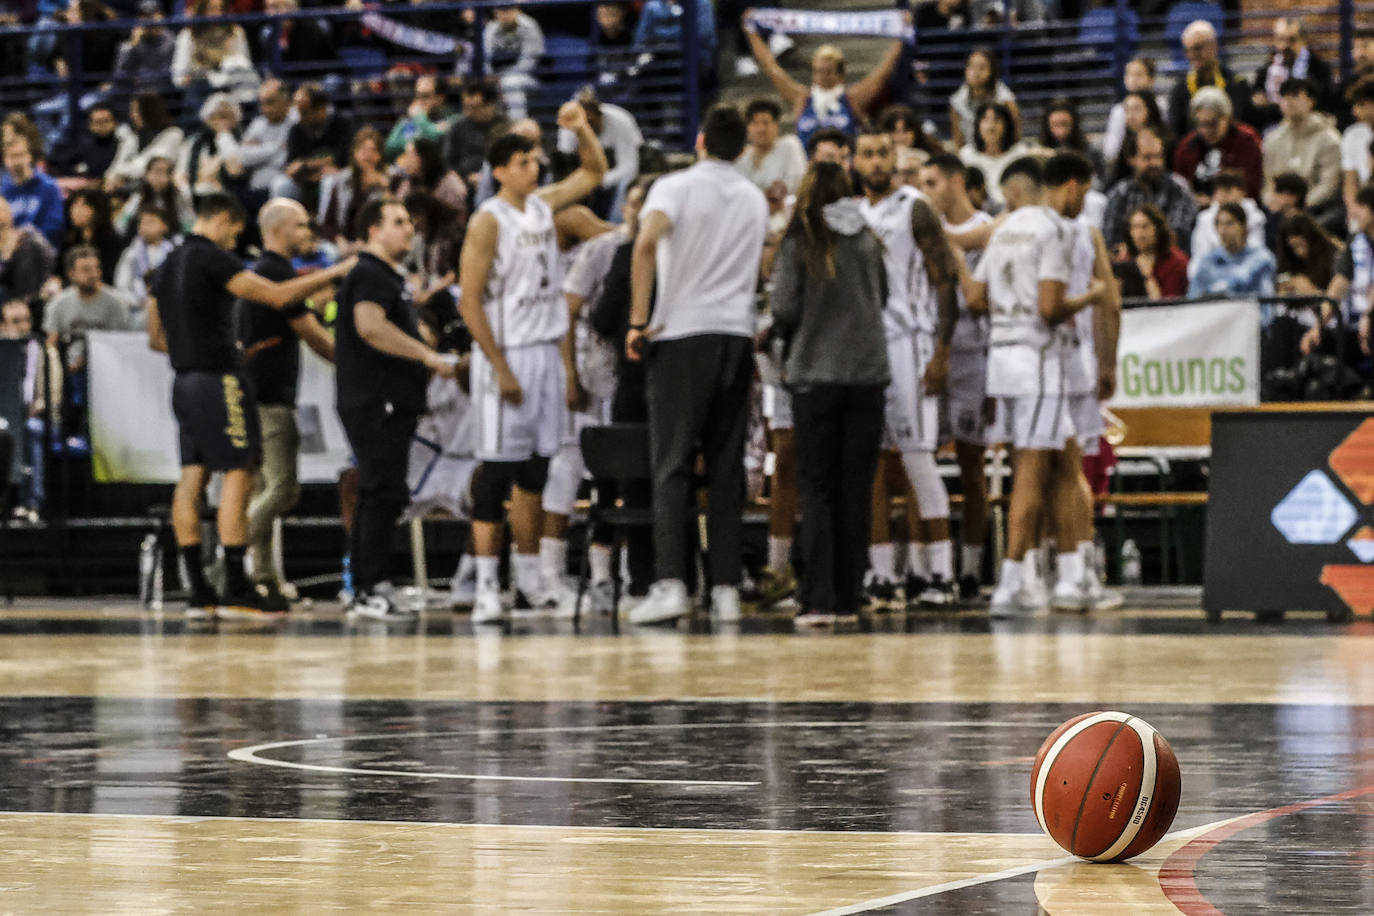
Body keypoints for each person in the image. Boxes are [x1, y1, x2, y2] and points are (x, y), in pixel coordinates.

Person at [145, 192, 352, 619]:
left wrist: (191, 351)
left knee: (191, 480)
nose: (233, 241)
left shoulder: (163, 267)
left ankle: (199, 591)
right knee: (240, 473)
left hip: (184, 380)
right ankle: (236, 583)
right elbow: (275, 297)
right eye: (234, 233)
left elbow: (154, 337)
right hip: (219, 379)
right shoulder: (213, 259)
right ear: (223, 219)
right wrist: (339, 269)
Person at [458, 101, 608, 625]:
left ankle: (530, 581)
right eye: (521, 161)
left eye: (535, 159)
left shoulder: (543, 207)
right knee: (496, 473)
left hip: (545, 351)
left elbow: (594, 172)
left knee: (536, 471)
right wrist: (498, 366)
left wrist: (581, 127)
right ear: (498, 169)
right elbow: (468, 301)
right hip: (508, 354)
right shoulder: (487, 221)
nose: (533, 167)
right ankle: (484, 587)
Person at [623, 103, 767, 625]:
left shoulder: (674, 188)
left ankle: (670, 583)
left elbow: (644, 243)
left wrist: (638, 319)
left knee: (673, 464)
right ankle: (726, 587)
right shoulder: (753, 197)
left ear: (701, 140)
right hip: (736, 333)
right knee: (727, 466)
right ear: (744, 148)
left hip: (682, 333)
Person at [768, 160, 888, 623]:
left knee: (816, 487)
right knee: (855, 489)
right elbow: (885, 296)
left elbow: (783, 306)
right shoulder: (868, 240)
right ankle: (846, 597)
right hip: (867, 377)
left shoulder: (801, 241)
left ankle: (817, 597)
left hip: (815, 376)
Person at [965, 156, 1079, 617]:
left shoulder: (999, 232)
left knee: (1025, 469)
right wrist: (1089, 297)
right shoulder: (1051, 229)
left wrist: (952, 255)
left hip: (1000, 358)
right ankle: (1010, 580)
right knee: (1032, 474)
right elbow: (1051, 307)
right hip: (1037, 360)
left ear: (1011, 191)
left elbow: (974, 297)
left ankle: (1029, 573)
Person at [855, 128, 959, 607]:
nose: (874, 161)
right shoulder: (851, 213)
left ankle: (940, 572)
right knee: (872, 465)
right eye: (866, 154)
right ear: (856, 161)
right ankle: (882, 574)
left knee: (918, 458)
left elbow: (945, 280)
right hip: (868, 348)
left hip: (912, 343)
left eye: (882, 153)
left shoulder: (914, 205)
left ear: (893, 158)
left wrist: (941, 350)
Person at [236, 199, 337, 605]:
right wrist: (356, 366)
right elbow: (314, 336)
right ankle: (227, 554)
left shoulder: (262, 275)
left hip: (253, 395)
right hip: (272, 399)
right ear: (278, 230)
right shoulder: (278, 277)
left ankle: (264, 576)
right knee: (283, 490)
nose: (308, 232)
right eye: (301, 225)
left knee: (263, 487)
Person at [1043, 151, 1122, 613]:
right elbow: (1109, 302)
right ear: (1074, 186)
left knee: (1036, 467)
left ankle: (1039, 567)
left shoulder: (1021, 227)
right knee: (1079, 470)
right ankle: (1083, 569)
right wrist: (1108, 361)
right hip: (1075, 362)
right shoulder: (1085, 233)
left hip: (1031, 365)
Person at [918, 152, 994, 599]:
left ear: (955, 182)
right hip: (928, 347)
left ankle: (970, 569)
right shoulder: (922, 231)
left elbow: (980, 297)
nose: (926, 193)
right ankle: (925, 566)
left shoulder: (988, 227)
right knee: (917, 461)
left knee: (971, 468)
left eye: (932, 183)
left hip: (971, 354)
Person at [742, 12, 905, 150]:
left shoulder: (852, 98)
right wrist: (752, 34)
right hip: (808, 171)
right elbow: (772, 68)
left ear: (840, 74)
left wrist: (901, 36)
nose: (823, 76)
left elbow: (882, 73)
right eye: (818, 71)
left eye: (828, 71)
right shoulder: (802, 98)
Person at [1103, 126, 1197, 253]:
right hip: (1129, 264)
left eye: (1158, 156)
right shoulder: (1120, 193)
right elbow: (1110, 240)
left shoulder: (1178, 189)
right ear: (1131, 160)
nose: (1155, 163)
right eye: (1147, 157)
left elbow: (1177, 236)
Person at [1263, 78, 1344, 221]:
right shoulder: (1272, 139)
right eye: (1284, 97)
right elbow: (1268, 182)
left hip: (1316, 210)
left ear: (1311, 101)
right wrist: (1272, 201)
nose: (1288, 101)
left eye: (1295, 96)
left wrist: (1300, 205)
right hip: (1279, 209)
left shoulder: (1329, 139)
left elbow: (1329, 185)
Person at [556, 90, 641, 221]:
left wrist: (598, 181)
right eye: (582, 123)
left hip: (615, 172)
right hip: (586, 174)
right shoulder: (570, 124)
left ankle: (616, 229)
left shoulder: (620, 120)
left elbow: (629, 167)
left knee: (626, 184)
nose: (586, 128)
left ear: (600, 115)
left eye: (590, 121)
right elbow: (564, 167)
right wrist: (580, 184)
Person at [1172, 87, 1264, 203]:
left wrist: (1214, 200)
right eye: (1200, 124)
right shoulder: (1187, 146)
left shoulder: (1246, 142)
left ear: (1227, 118)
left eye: (1212, 124)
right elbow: (1178, 187)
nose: (1205, 131)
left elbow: (1251, 187)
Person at [1165, 20, 1250, 142]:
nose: (1192, 55)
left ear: (1214, 46)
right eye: (1188, 50)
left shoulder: (1236, 84)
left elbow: (1240, 124)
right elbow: (1176, 131)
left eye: (1198, 48)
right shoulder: (1180, 89)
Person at [275, 83, 354, 210]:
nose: (301, 118)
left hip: (337, 178)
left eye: (305, 112)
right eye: (299, 112)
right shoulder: (297, 129)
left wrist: (304, 164)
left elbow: (339, 160)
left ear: (321, 109)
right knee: (281, 185)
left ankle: (328, 227)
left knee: (331, 181)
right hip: (306, 180)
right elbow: (291, 167)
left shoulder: (342, 124)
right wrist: (312, 169)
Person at [1249, 16, 1336, 133]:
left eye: (1291, 40)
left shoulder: (1320, 70)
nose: (1285, 46)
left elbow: (1325, 106)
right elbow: (1256, 104)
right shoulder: (1266, 71)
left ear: (1304, 40)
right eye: (1280, 39)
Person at [1189, 203, 1277, 298]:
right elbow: (1193, 295)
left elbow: (1241, 279)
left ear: (1243, 226)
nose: (1222, 231)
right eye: (1219, 224)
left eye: (1229, 224)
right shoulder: (1208, 261)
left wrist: (1211, 292)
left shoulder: (1261, 257)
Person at [1190, 170, 1267, 275]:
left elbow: (1257, 253)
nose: (1222, 196)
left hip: (1246, 277)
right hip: (1211, 278)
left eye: (1227, 191)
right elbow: (1198, 257)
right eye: (1218, 191)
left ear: (1242, 192)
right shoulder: (1204, 219)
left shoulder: (1256, 218)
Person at [106, 93, 184, 193]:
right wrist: (113, 176)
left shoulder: (173, 134)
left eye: (135, 111)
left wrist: (120, 173)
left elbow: (148, 167)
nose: (131, 115)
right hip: (126, 186)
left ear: (149, 112)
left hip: (157, 190)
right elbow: (115, 167)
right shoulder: (132, 136)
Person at [960, 102, 1030, 211]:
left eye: (996, 120)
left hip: (1013, 210)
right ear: (978, 125)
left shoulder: (1019, 153)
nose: (990, 127)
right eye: (985, 120)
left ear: (1006, 125)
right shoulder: (967, 154)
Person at [949, 48, 1019, 152]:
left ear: (992, 71)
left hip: (1002, 153)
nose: (975, 73)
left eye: (982, 68)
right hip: (971, 155)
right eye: (971, 67)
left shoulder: (1006, 100)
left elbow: (1016, 136)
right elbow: (958, 143)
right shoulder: (957, 102)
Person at [113, 205, 176, 321]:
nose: (145, 227)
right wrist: (139, 302)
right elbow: (121, 285)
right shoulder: (130, 253)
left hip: (168, 309)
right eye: (142, 223)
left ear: (165, 226)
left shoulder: (174, 253)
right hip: (136, 310)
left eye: (151, 222)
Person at [2, 135, 64, 250]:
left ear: (29, 156)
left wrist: (27, 236)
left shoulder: (48, 187)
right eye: (12, 157)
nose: (17, 162)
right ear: (5, 160)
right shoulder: (3, 191)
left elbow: (55, 226)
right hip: (9, 252)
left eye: (21, 155)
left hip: (40, 250)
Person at [736, 98, 806, 197]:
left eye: (766, 123)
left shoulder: (789, 146)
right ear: (747, 127)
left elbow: (797, 183)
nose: (761, 129)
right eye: (755, 123)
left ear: (776, 125)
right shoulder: (743, 157)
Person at [443, 79, 508, 186]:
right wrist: (465, 178)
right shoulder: (457, 127)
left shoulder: (505, 127)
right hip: (462, 182)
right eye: (465, 107)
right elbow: (448, 162)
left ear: (489, 105)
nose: (468, 113)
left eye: (474, 107)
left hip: (497, 181)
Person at [483, 6, 545, 118]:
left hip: (529, 80)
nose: (505, 14)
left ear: (518, 10)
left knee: (511, 83)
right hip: (497, 79)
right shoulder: (491, 29)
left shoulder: (529, 26)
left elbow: (528, 64)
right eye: (501, 10)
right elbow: (485, 60)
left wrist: (500, 80)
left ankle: (518, 127)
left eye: (509, 10)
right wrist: (490, 76)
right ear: (495, 12)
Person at [1102, 57, 1165, 166]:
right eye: (1129, 75)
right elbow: (1111, 150)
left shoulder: (1162, 105)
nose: (1133, 79)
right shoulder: (1119, 110)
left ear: (1152, 79)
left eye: (1139, 75)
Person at [239, 80, 295, 197]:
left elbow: (285, 159)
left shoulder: (296, 121)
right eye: (262, 103)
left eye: (270, 102)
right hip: (256, 189)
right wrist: (276, 148)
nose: (265, 109)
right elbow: (244, 157)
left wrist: (259, 150)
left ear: (286, 101)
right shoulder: (257, 124)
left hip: (285, 189)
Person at [1124, 204, 1189, 300]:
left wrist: (1148, 276)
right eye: (1134, 227)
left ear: (1158, 229)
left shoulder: (1176, 262)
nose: (1139, 234)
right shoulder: (1127, 259)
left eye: (1145, 227)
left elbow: (1166, 306)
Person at [384, 75, 453, 163]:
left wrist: (419, 117)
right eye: (417, 96)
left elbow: (435, 138)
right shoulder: (411, 120)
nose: (419, 101)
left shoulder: (451, 118)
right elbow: (390, 147)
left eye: (425, 96)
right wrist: (408, 145)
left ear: (440, 98)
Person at [0, 196, 56, 305]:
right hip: (7, 302)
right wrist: (6, 258)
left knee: (28, 246)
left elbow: (51, 261)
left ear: (10, 213)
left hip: (36, 295)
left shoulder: (29, 235)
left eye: (2, 209)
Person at [1276, 213, 1338, 295]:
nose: (1298, 252)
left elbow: (1336, 296)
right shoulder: (1290, 261)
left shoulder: (1332, 258)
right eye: (1293, 248)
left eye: (1301, 245)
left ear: (1312, 240)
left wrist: (1312, 291)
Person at [1343, 80, 1374, 230]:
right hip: (1364, 202)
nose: (1355, 111)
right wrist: (1353, 207)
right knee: (1355, 225)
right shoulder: (1352, 135)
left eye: (1361, 105)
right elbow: (1350, 180)